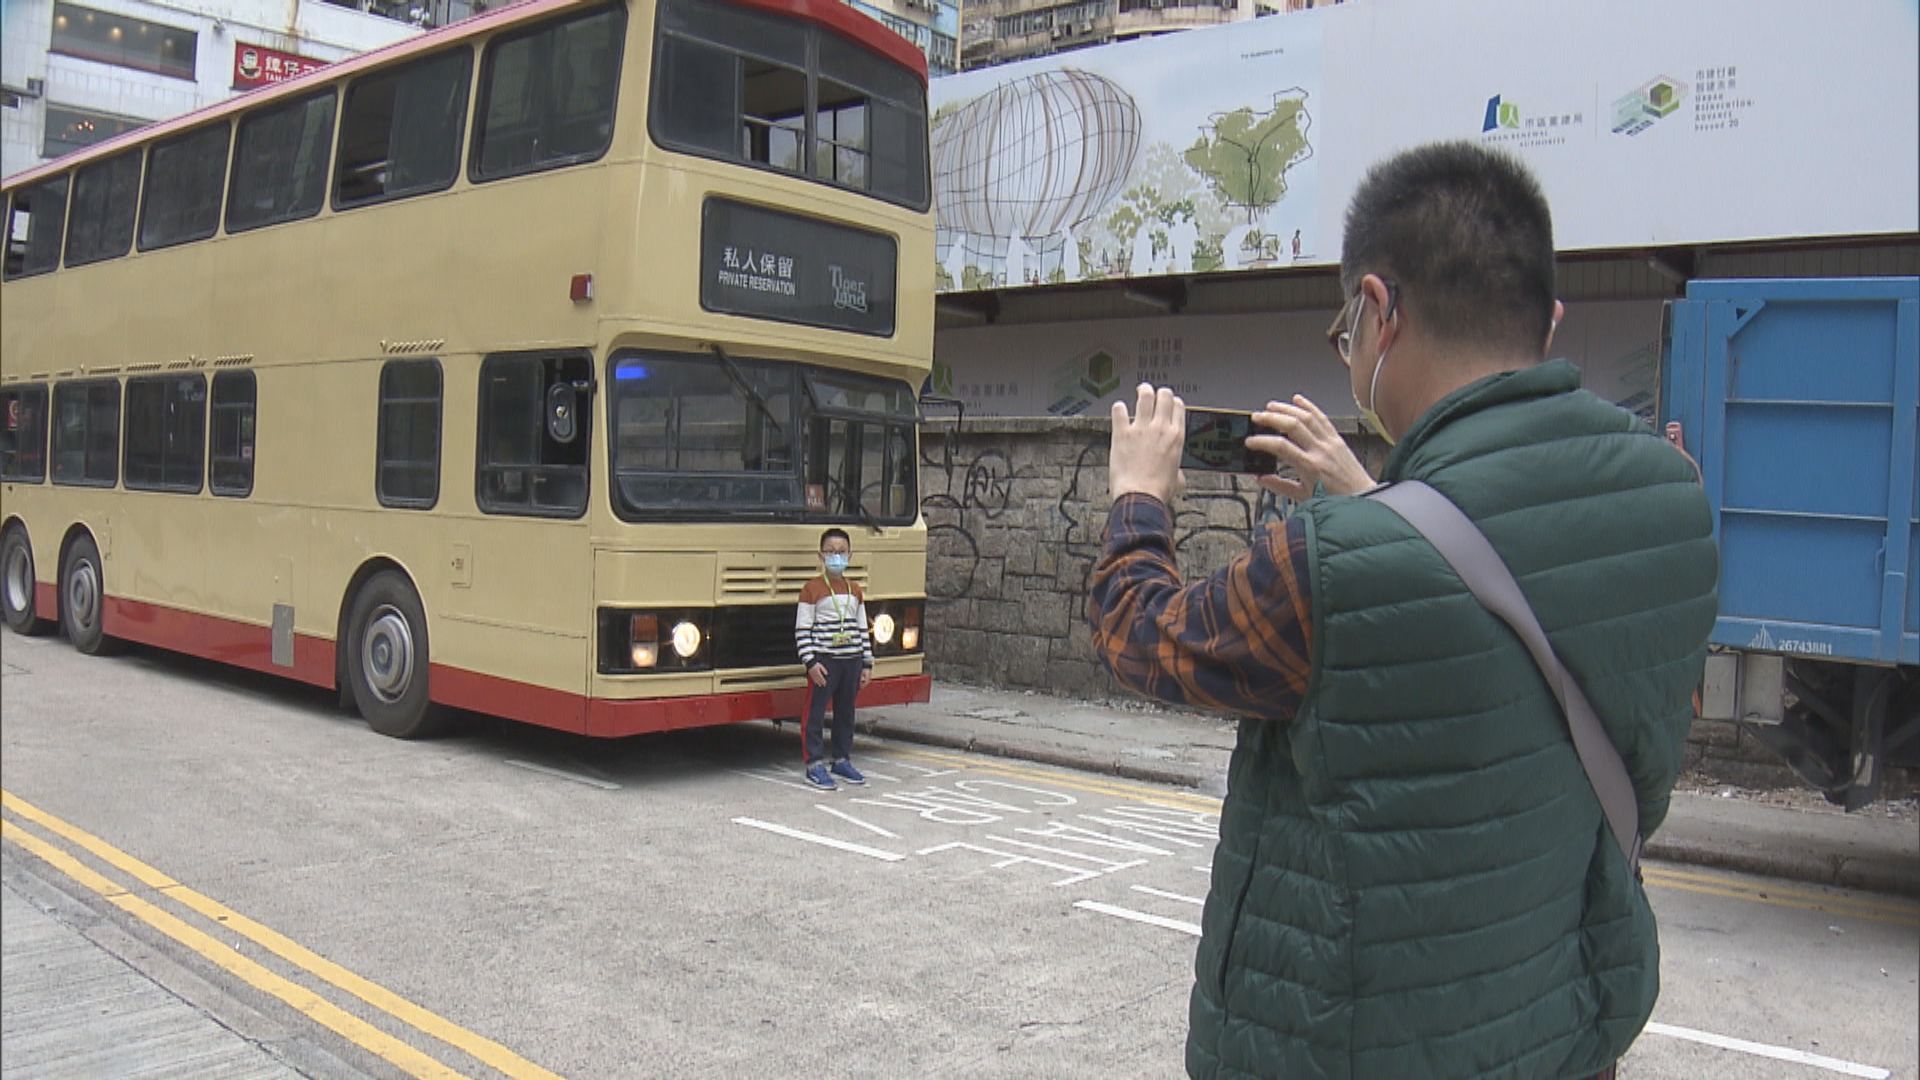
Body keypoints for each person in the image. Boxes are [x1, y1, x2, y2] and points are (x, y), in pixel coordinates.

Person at [1086, 141, 1718, 1080]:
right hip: (1559, 1028)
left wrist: (1140, 496)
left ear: (1379, 312)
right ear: (1547, 321)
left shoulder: (1326, 563)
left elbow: (1143, 637)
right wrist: (1378, 498)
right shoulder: (1673, 502)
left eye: (1345, 332)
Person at [794, 528, 873, 791]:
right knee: (815, 713)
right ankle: (814, 764)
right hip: (825, 661)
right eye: (830, 552)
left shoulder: (855, 590)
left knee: (845, 713)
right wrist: (811, 662)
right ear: (820, 556)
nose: (836, 557)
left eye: (841, 552)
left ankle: (841, 758)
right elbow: (803, 630)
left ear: (850, 555)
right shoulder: (811, 589)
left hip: (851, 660)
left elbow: (863, 629)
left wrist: (866, 663)